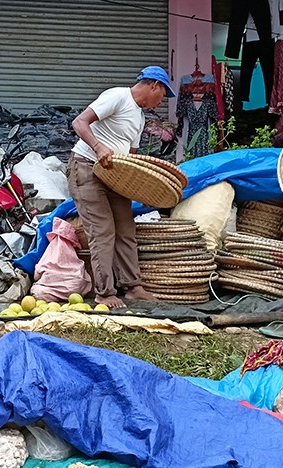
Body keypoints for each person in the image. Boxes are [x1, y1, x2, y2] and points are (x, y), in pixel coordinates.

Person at [69, 66, 175, 308]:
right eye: (163, 95)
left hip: (114, 175)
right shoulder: (117, 96)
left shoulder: (139, 117)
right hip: (86, 168)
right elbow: (79, 122)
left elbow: (131, 160)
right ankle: (104, 293)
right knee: (102, 230)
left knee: (126, 228)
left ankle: (133, 286)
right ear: (154, 86)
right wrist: (98, 147)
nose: (161, 102)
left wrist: (143, 189)